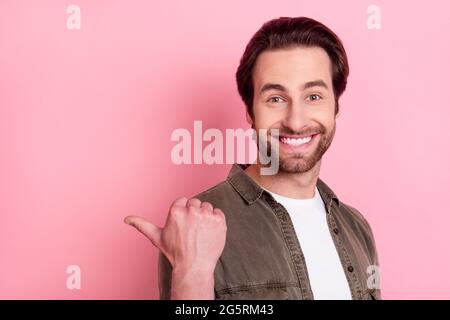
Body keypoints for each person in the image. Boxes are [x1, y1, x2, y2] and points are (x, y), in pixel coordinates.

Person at [125, 16, 381, 300]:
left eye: (313, 96)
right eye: (275, 99)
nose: (295, 122)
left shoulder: (357, 228)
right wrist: (191, 275)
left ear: (335, 106)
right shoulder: (194, 228)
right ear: (250, 111)